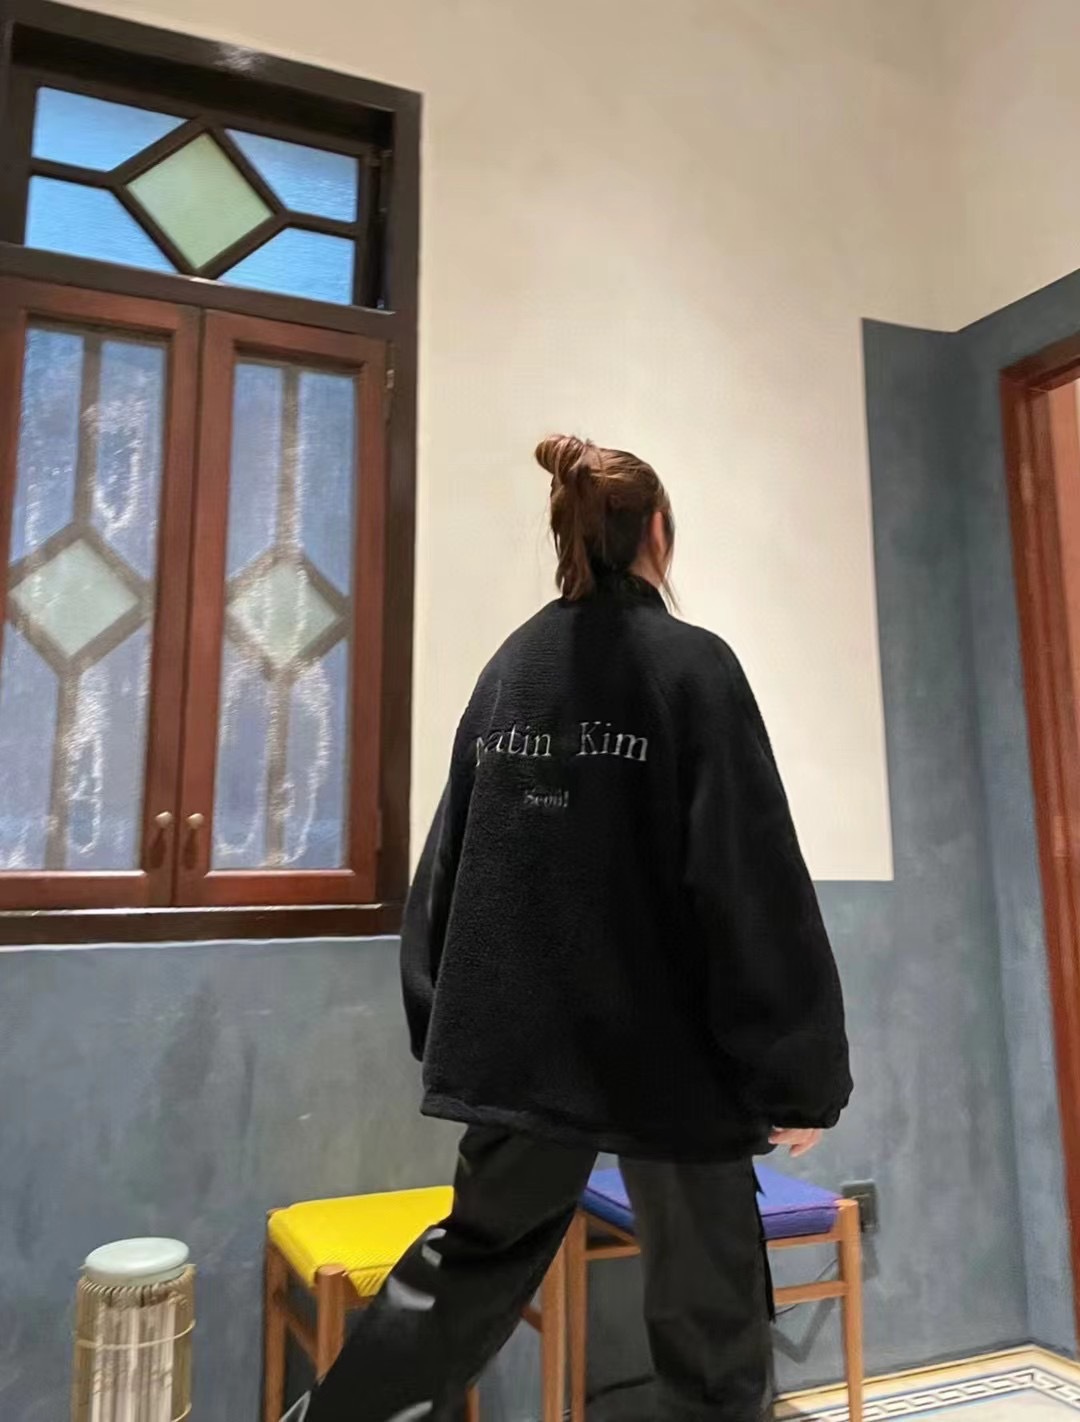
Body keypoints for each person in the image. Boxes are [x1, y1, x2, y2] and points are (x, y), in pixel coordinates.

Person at [294, 435, 852, 1422]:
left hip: (526, 1049)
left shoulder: (511, 668)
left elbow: (450, 860)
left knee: (468, 1273)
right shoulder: (694, 668)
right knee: (712, 1314)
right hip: (674, 1060)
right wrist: (796, 1073)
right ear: (658, 534)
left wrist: (447, 1025)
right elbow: (748, 878)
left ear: (571, 532)